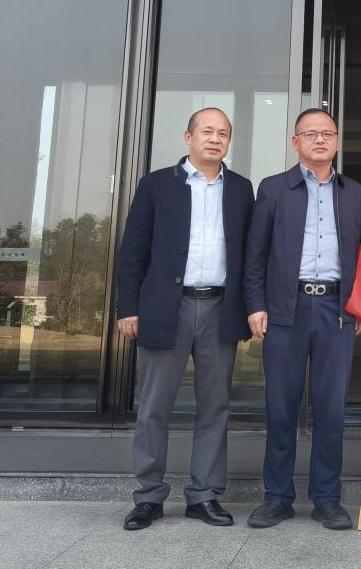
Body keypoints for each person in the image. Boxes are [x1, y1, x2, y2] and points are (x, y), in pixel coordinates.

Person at [117, 107, 254, 530]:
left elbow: (250, 256)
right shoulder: (156, 184)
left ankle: (204, 495)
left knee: (215, 406)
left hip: (220, 308)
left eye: (223, 133)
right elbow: (133, 250)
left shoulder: (241, 189)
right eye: (207, 131)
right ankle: (148, 497)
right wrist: (128, 307)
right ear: (188, 136)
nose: (215, 139)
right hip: (166, 307)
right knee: (154, 407)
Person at [244, 108, 361, 531]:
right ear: (295, 141)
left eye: (327, 133)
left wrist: (360, 304)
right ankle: (277, 497)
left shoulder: (354, 192)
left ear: (337, 142)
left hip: (336, 311)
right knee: (281, 407)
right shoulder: (274, 188)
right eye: (310, 133)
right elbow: (255, 253)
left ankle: (327, 499)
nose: (319, 139)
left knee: (331, 410)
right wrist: (255, 304)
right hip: (286, 308)